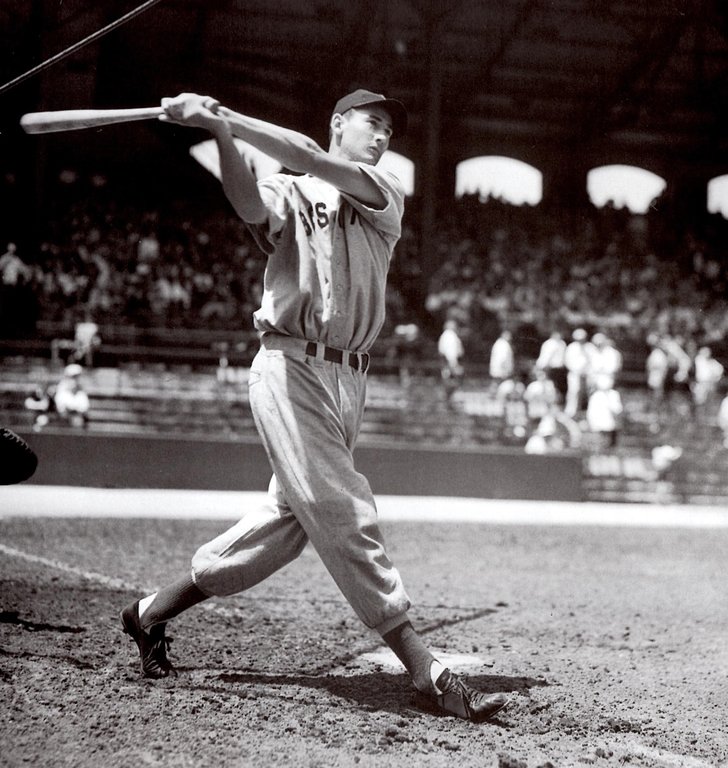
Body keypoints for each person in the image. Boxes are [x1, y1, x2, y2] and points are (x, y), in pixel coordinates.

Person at [119, 89, 508, 722]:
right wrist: (220, 135)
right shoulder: (290, 190)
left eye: (388, 129)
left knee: (286, 525)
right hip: (291, 362)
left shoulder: (381, 191)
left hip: (350, 377)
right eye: (371, 123)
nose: (383, 136)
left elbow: (303, 153)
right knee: (341, 506)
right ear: (339, 124)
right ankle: (425, 669)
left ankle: (150, 612)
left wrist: (223, 116)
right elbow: (248, 197)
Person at [437, 319, 465, 403]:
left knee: (448, 387)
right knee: (451, 387)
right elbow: (451, 353)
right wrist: (455, 366)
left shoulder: (445, 335)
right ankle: (449, 406)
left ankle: (447, 405)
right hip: (451, 366)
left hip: (447, 365)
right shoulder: (450, 336)